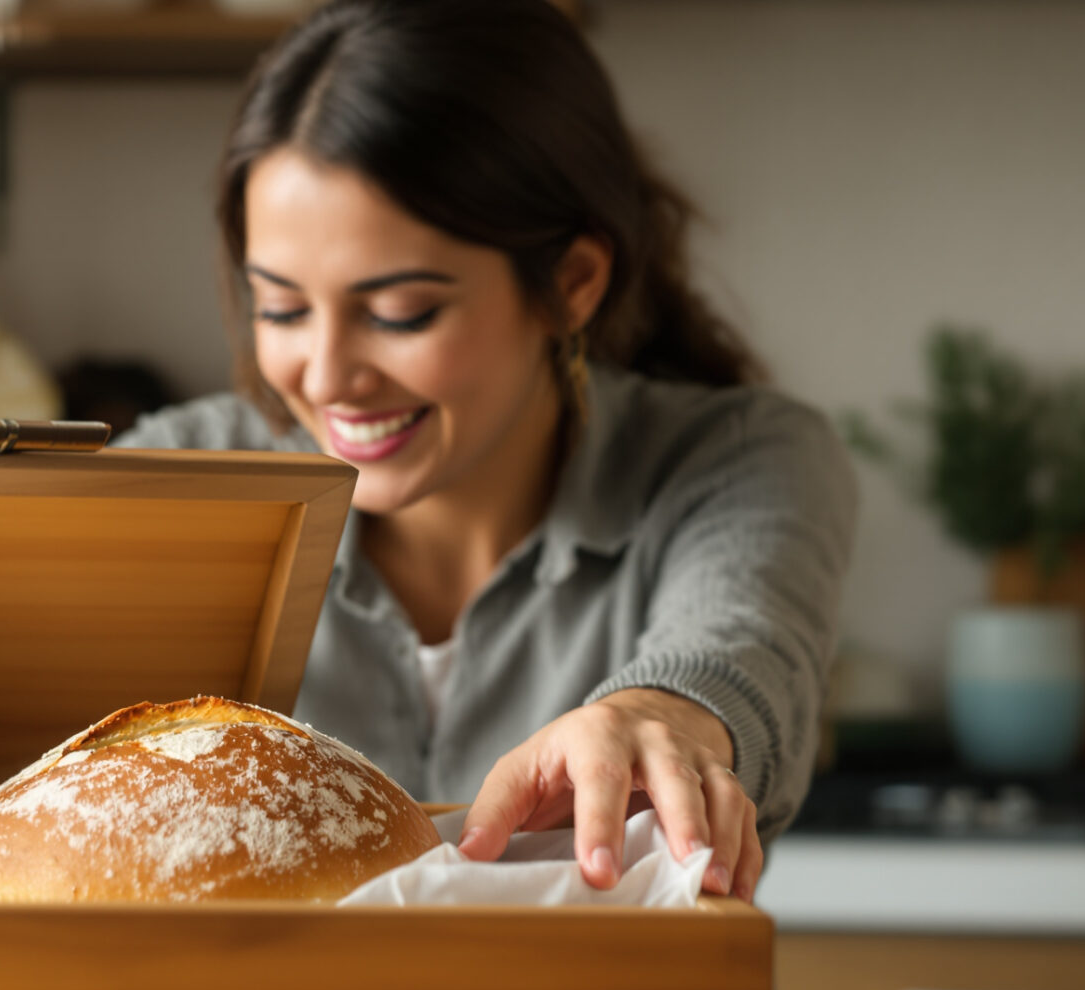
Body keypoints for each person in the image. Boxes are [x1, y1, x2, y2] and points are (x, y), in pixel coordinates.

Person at [111, 0, 855, 912]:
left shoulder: (741, 461)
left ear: (574, 282)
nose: (330, 374)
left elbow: (736, 648)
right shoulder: (183, 477)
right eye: (283, 309)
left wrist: (649, 721)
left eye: (400, 313)